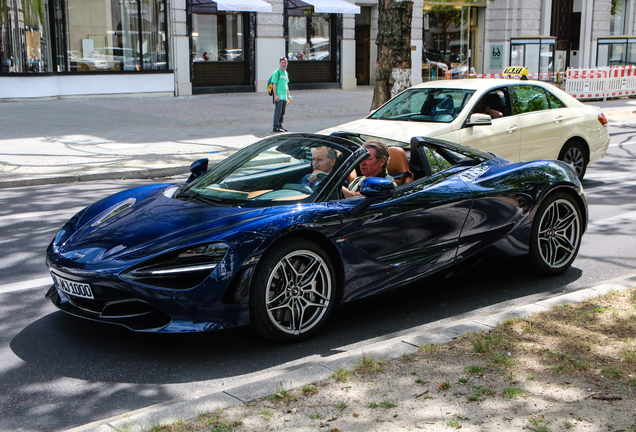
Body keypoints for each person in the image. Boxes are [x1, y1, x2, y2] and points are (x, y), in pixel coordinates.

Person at [271, 56, 291, 132]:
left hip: (284, 96)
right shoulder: (277, 72)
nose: (284, 64)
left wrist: (288, 95)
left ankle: (280, 125)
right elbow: (274, 84)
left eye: (285, 62)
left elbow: (286, 85)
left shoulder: (286, 73)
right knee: (278, 111)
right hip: (279, 96)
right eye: (282, 62)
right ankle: (275, 126)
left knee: (282, 112)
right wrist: (275, 95)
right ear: (280, 63)